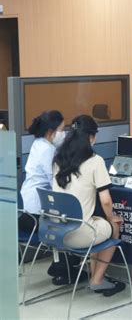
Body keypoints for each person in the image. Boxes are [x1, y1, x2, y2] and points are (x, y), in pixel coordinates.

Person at [53, 115, 125, 296]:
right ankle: (97, 280)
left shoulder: (58, 159)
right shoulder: (95, 161)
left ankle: (94, 273)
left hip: (56, 232)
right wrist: (111, 218)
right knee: (113, 225)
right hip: (79, 234)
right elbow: (106, 200)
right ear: (91, 137)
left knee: (98, 222)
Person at [18, 110, 82, 285]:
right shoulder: (47, 150)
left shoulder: (38, 144)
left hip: (28, 211)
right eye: (62, 129)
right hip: (37, 214)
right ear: (51, 131)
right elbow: (54, 181)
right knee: (68, 221)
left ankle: (63, 265)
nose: (64, 133)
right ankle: (63, 268)